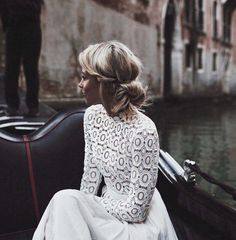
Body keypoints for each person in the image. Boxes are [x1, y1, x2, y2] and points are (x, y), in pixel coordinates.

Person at [32, 40, 178, 240]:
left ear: (102, 82)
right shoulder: (92, 116)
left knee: (66, 199)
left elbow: (137, 211)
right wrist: (85, 207)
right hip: (105, 212)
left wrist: (91, 205)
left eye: (84, 78)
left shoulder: (144, 131)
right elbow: (90, 179)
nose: (80, 84)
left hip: (140, 225)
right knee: (66, 202)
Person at [0, 0, 43, 117]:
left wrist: (6, 25)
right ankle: (26, 106)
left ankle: (23, 106)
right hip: (22, 27)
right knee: (18, 68)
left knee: (24, 68)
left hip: (25, 26)